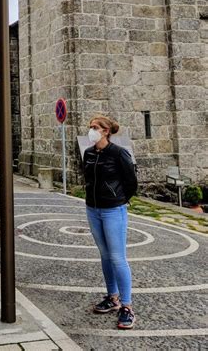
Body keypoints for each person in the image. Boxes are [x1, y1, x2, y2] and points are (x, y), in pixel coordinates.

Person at [83, 115, 138, 330]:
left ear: (106, 131)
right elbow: (87, 177)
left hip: (113, 210)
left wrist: (120, 200)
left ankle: (127, 306)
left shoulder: (118, 153)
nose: (91, 130)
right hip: (92, 209)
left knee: (117, 257)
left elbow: (131, 182)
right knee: (105, 255)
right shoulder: (88, 153)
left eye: (95, 127)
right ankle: (112, 298)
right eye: (90, 127)